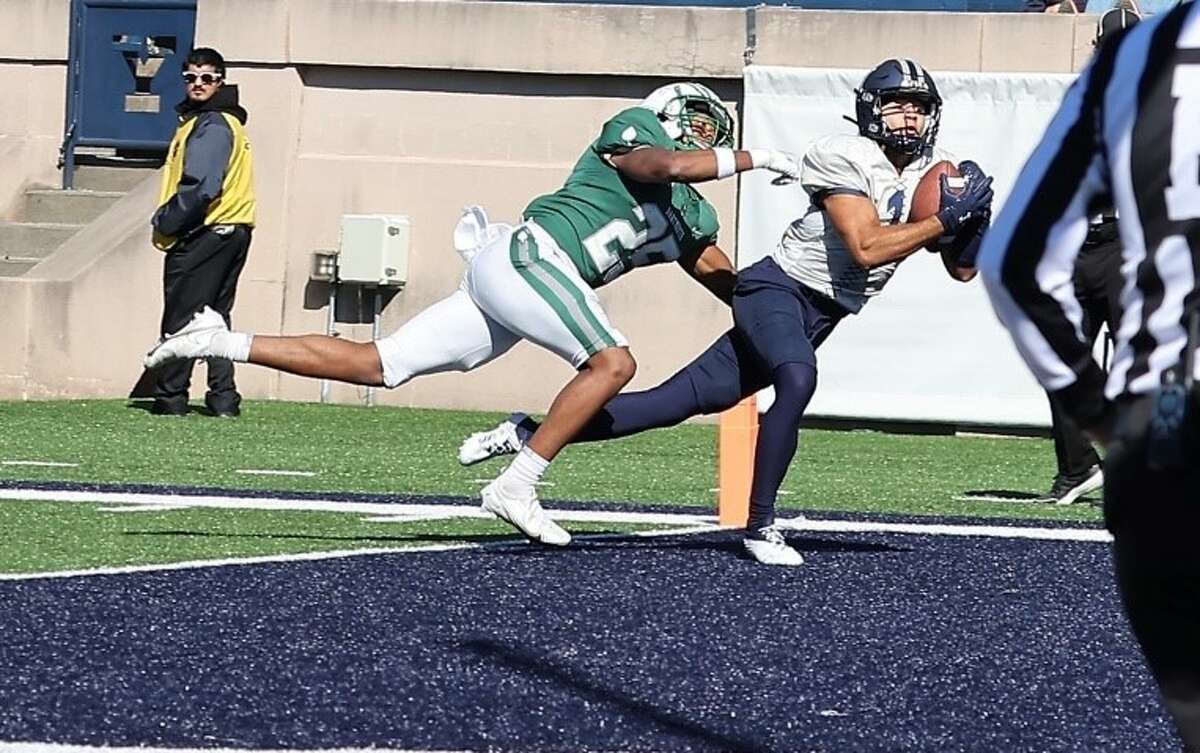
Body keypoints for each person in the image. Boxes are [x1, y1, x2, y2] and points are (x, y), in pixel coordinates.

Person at [144, 82, 803, 546]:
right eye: (702, 124)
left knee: (383, 364)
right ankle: (517, 484)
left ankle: (220, 339)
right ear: (672, 112)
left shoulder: (694, 213)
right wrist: (753, 157)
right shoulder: (641, 132)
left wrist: (792, 311)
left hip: (523, 284)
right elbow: (665, 162)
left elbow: (730, 283)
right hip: (531, 257)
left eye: (719, 135)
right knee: (614, 361)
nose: (707, 138)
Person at [459, 58, 995, 566]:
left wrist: (972, 225)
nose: (910, 116)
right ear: (870, 109)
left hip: (823, 313)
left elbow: (962, 271)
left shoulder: (932, 171)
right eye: (898, 104)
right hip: (776, 291)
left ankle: (528, 433)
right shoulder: (843, 153)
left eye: (920, 107)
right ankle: (760, 525)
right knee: (797, 377)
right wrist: (944, 221)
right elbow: (866, 247)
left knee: (669, 404)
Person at [978, 2, 1200, 747]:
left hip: (1169, 428)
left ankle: (1095, 454)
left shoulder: (1133, 68)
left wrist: (1110, 421)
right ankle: (1078, 463)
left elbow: (1013, 263)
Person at [150, 47, 256, 418]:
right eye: (191, 77)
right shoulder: (227, 122)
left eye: (207, 77)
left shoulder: (211, 123)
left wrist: (166, 221)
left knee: (182, 318)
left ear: (220, 82)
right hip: (235, 229)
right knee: (215, 317)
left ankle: (171, 397)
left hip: (208, 231)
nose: (198, 83)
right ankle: (224, 398)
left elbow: (202, 187)